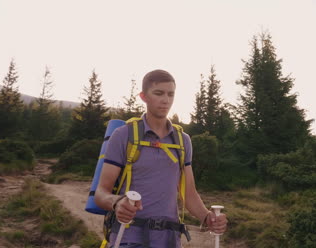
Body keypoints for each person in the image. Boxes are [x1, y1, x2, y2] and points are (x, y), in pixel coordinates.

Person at [95, 69, 228, 248]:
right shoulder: (123, 135)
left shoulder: (183, 141)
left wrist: (208, 217)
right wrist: (118, 202)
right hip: (128, 237)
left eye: (170, 94)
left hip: (170, 240)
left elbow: (189, 194)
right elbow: (101, 193)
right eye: (158, 93)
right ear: (144, 96)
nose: (166, 100)